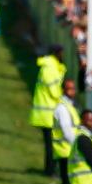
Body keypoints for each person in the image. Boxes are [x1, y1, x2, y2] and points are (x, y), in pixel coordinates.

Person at [30, 44, 66, 175]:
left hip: (47, 111)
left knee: (51, 144)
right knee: (51, 144)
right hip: (48, 113)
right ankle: (50, 170)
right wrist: (63, 99)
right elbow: (54, 91)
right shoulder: (50, 69)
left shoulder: (51, 67)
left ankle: (50, 169)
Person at [53, 80, 81, 184]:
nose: (73, 91)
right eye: (69, 89)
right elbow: (66, 131)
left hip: (67, 150)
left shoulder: (68, 106)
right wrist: (78, 146)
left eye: (73, 88)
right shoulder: (63, 108)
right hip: (66, 150)